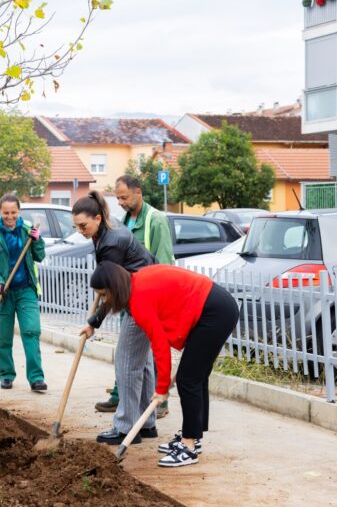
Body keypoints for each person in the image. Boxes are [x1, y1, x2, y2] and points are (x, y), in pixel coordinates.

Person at [88, 261, 239, 467]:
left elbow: (160, 347)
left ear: (115, 289)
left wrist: (161, 390)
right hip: (214, 306)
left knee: (188, 379)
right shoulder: (134, 283)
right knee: (196, 376)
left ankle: (188, 447)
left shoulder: (139, 300)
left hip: (214, 311)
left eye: (104, 295)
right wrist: (92, 323)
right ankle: (194, 436)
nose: (104, 300)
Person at [72, 191, 157, 446]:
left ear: (97, 218)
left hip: (142, 299)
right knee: (142, 362)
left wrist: (93, 322)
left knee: (127, 361)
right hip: (146, 294)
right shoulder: (106, 231)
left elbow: (112, 292)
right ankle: (147, 423)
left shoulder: (111, 243)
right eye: (76, 226)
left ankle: (125, 427)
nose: (80, 231)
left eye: (83, 225)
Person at [96, 175, 175, 416]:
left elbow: (164, 262)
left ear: (138, 192)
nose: (119, 202)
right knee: (129, 353)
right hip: (127, 297)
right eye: (117, 198)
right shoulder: (123, 222)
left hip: (148, 297)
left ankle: (159, 403)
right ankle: (121, 397)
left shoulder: (156, 220)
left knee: (149, 352)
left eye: (124, 197)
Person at [0, 194, 47, 392]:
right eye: (6, 212)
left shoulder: (27, 230)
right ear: (0, 212)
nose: (10, 217)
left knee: (31, 332)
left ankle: (36, 378)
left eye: (13, 212)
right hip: (2, 293)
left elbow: (40, 256)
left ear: (19, 212)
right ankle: (6, 374)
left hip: (26, 290)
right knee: (3, 337)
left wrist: (37, 241)